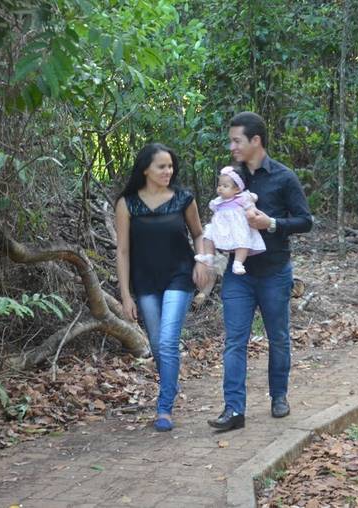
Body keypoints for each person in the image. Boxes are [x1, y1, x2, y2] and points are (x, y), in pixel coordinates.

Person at [207, 112, 313, 432]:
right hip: (238, 275)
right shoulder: (231, 178)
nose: (232, 147)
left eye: (236, 141)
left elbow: (305, 221)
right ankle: (234, 409)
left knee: (277, 338)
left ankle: (279, 396)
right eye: (231, 141)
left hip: (275, 273)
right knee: (234, 341)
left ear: (256, 140)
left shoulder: (284, 177)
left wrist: (272, 223)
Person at [115, 143, 211, 432]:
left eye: (170, 166)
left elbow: (199, 234)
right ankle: (170, 383)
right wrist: (125, 295)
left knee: (168, 341)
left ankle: (164, 407)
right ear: (145, 169)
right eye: (162, 166)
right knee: (157, 345)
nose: (168, 171)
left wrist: (202, 262)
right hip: (145, 282)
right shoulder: (127, 204)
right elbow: (123, 251)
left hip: (179, 276)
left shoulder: (183, 199)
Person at [194, 165, 266, 276]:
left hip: (236, 226)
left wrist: (251, 212)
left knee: (242, 240)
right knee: (208, 235)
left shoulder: (241, 198)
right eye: (219, 185)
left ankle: (238, 263)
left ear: (237, 189)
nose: (220, 188)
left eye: (225, 186)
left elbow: (250, 205)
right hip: (221, 227)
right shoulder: (218, 201)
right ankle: (209, 256)